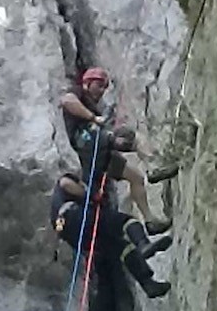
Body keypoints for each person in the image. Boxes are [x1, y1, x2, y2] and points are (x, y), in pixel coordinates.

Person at [60, 67, 171, 234]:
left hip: (96, 154)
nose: (102, 91)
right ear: (86, 83)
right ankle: (154, 168)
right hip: (89, 141)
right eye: (99, 85)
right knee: (132, 137)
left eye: (104, 87)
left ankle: (150, 221)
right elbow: (67, 101)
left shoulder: (92, 105)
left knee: (136, 178)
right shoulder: (77, 93)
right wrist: (93, 118)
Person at [50, 170, 172, 299]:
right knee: (125, 221)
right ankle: (143, 244)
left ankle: (148, 284)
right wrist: (91, 195)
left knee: (121, 248)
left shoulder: (56, 209)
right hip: (74, 216)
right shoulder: (66, 180)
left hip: (73, 236)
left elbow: (58, 227)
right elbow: (65, 183)